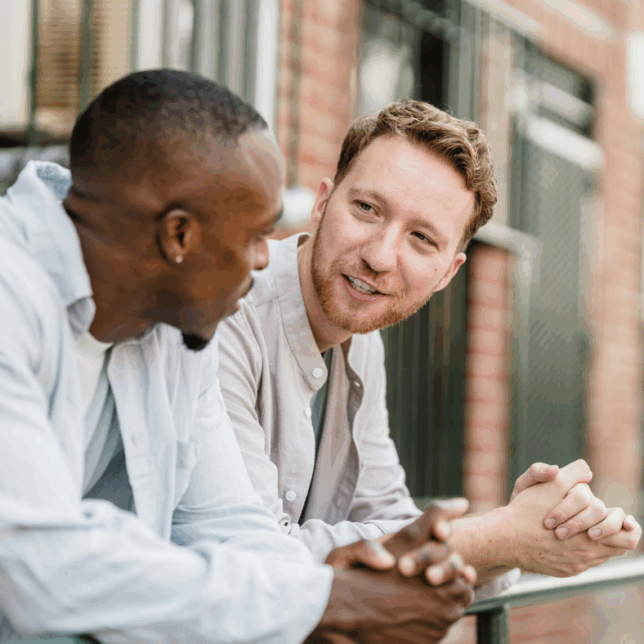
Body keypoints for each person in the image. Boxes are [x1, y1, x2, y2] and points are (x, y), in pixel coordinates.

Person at [0, 70, 475, 644]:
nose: (263, 261)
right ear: (179, 236)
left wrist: (343, 579)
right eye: (254, 236)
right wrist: (323, 601)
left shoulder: (177, 323)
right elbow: (40, 569)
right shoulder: (11, 296)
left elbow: (225, 525)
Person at [217, 99, 642, 589]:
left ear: (447, 273)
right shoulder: (225, 309)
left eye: (421, 238)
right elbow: (254, 558)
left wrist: (534, 533)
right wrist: (498, 537)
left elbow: (389, 515)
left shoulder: (360, 337)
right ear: (321, 203)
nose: (378, 256)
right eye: (366, 209)